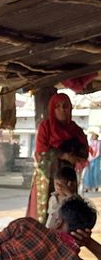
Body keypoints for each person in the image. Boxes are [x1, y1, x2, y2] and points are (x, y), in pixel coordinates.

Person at [26, 93, 88, 224]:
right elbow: (42, 152)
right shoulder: (46, 127)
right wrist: (64, 155)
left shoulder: (76, 130)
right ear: (52, 109)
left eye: (65, 106)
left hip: (67, 176)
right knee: (42, 212)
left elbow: (84, 154)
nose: (62, 109)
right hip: (46, 176)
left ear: (70, 108)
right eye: (57, 106)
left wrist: (75, 157)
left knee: (66, 211)